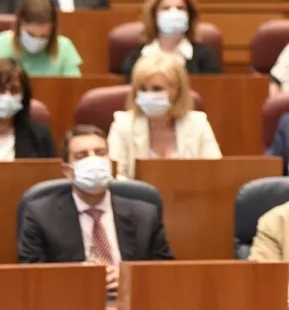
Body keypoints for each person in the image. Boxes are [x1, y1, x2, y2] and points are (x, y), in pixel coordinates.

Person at [17, 125, 174, 294]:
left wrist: (129, 277)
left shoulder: (144, 214)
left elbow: (166, 272)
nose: (93, 161)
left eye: (100, 153)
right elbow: (30, 276)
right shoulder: (41, 215)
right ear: (67, 170)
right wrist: (82, 279)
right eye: (81, 156)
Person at [108, 52, 222, 179]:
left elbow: (214, 173)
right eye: (143, 89)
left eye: (157, 89)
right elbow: (116, 176)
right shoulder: (123, 124)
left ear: (176, 90)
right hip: (137, 192)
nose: (148, 95)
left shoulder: (198, 123)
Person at [120, 0, 221, 81]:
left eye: (180, 8)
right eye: (165, 8)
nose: (174, 13)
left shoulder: (205, 58)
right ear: (154, 16)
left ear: (189, 16)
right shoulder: (137, 58)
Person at [0, 0, 82, 77]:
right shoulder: (1, 44)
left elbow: (74, 84)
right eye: (30, 34)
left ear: (52, 32)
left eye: (44, 36)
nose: (36, 41)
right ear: (19, 25)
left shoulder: (64, 48)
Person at [0, 58, 56, 159]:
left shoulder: (39, 135)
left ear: (24, 96)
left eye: (14, 90)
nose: (6, 96)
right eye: (1, 90)